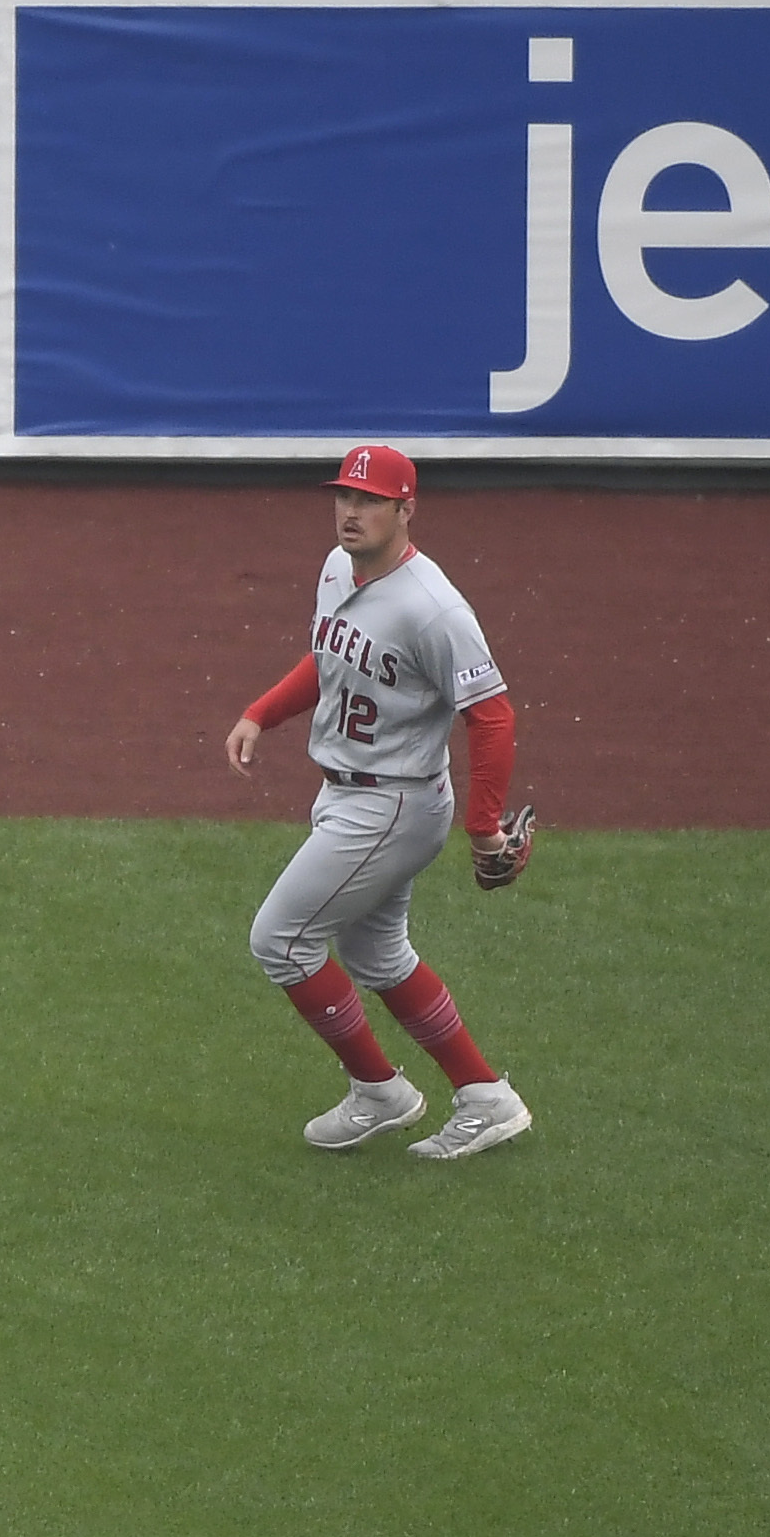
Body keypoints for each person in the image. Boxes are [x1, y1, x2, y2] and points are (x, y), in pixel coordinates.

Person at [223, 444, 531, 1160]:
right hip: (348, 794)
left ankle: (379, 1089)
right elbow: (330, 658)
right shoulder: (339, 569)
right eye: (343, 497)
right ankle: (484, 1096)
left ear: (404, 510)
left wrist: (483, 828)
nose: (350, 512)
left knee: (280, 940)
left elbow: (492, 715)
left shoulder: (432, 609)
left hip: (392, 806)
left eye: (368, 501)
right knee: (378, 954)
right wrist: (262, 712)